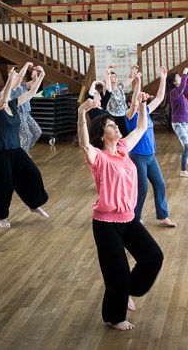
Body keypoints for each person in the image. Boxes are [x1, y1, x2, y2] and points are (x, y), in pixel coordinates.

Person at [78, 93, 164, 331]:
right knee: (116, 273)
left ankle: (129, 289)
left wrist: (143, 103)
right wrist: (81, 114)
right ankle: (114, 317)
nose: (116, 127)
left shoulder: (124, 149)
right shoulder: (99, 157)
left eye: (116, 125)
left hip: (128, 219)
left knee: (153, 256)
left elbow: (141, 126)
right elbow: (85, 144)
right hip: (106, 223)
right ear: (101, 134)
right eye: (110, 126)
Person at [0, 63, 50, 229]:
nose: (6, 99)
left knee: (33, 173)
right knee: (4, 186)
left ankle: (33, 204)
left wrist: (42, 76)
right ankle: (1, 217)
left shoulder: (13, 105)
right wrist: (10, 80)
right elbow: (5, 97)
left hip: (16, 150)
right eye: (3, 97)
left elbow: (32, 93)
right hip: (1, 153)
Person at [126, 66, 176, 227]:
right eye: (137, 99)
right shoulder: (130, 116)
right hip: (137, 156)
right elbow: (135, 102)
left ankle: (162, 215)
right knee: (142, 188)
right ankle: (135, 217)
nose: (141, 100)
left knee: (160, 183)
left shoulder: (146, 110)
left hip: (150, 156)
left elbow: (160, 97)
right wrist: (138, 82)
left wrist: (162, 78)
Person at [10, 69, 42, 154]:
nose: (19, 77)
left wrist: (35, 76)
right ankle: (23, 155)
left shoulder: (23, 85)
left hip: (26, 113)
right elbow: (17, 80)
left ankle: (22, 151)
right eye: (17, 76)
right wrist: (27, 65)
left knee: (37, 132)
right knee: (27, 136)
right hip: (18, 114)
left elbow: (34, 83)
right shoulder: (12, 88)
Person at [104, 65, 137, 137]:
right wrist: (108, 69)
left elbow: (131, 78)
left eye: (115, 76)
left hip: (124, 114)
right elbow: (107, 78)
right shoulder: (107, 89)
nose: (115, 77)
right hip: (113, 116)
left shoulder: (120, 87)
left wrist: (132, 69)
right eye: (112, 76)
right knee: (115, 135)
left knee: (126, 134)